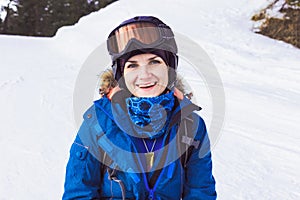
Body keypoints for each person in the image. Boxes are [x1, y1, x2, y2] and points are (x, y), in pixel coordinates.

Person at [63, 16, 217, 200]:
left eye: (154, 62)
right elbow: (78, 194)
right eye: (132, 65)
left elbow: (201, 192)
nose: (144, 75)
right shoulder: (97, 123)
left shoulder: (191, 126)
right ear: (121, 75)